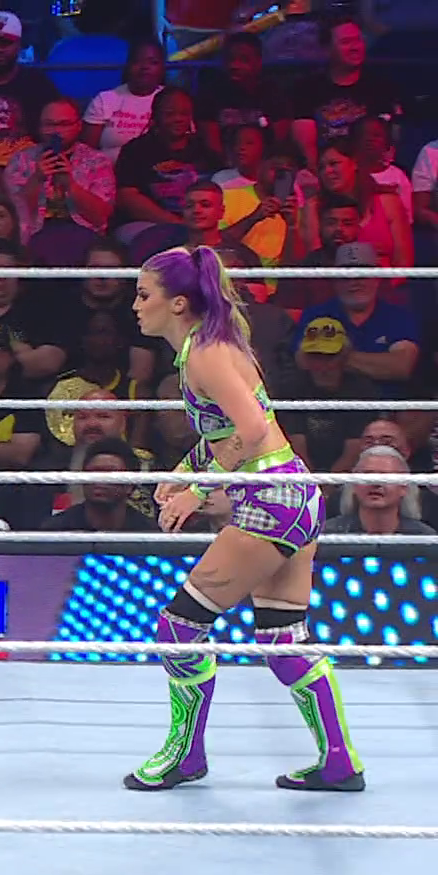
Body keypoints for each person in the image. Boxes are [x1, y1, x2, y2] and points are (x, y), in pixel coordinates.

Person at [127, 245, 362, 794]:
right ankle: (339, 762)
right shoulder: (210, 345)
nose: (134, 306)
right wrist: (184, 472)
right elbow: (229, 432)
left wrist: (198, 490)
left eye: (143, 294)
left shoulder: (206, 354)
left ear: (177, 302)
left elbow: (253, 431)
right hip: (292, 493)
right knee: (283, 637)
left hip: (271, 500)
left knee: (179, 627)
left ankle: (186, 755)